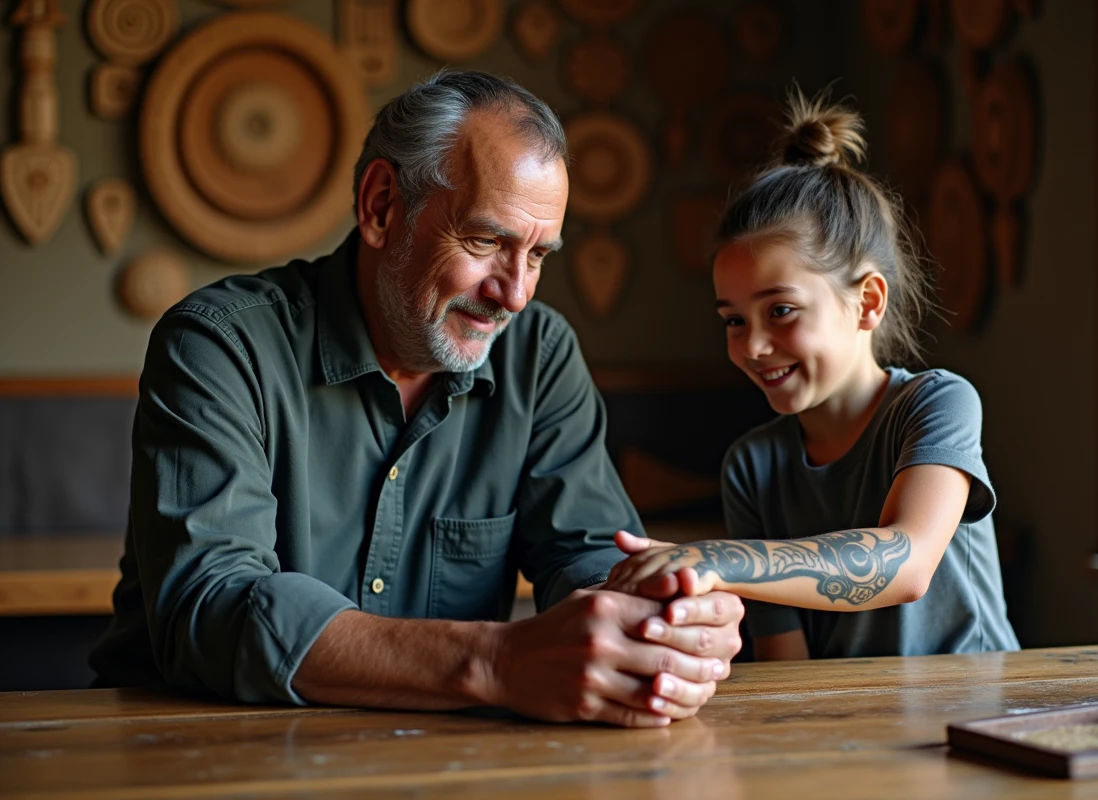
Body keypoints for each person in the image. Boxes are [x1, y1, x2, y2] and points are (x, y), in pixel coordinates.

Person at [89, 71, 743, 726]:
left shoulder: (538, 354)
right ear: (381, 206)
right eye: (487, 241)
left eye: (539, 255)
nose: (515, 294)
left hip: (438, 758)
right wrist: (496, 661)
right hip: (193, 749)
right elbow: (211, 607)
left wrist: (656, 620)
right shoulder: (221, 344)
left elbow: (587, 555)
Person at [606, 91, 1019, 662]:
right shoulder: (751, 467)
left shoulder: (938, 403)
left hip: (973, 717)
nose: (751, 345)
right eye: (732, 320)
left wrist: (716, 559)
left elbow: (908, 562)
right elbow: (787, 667)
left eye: (780, 311)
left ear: (868, 302)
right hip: (849, 731)